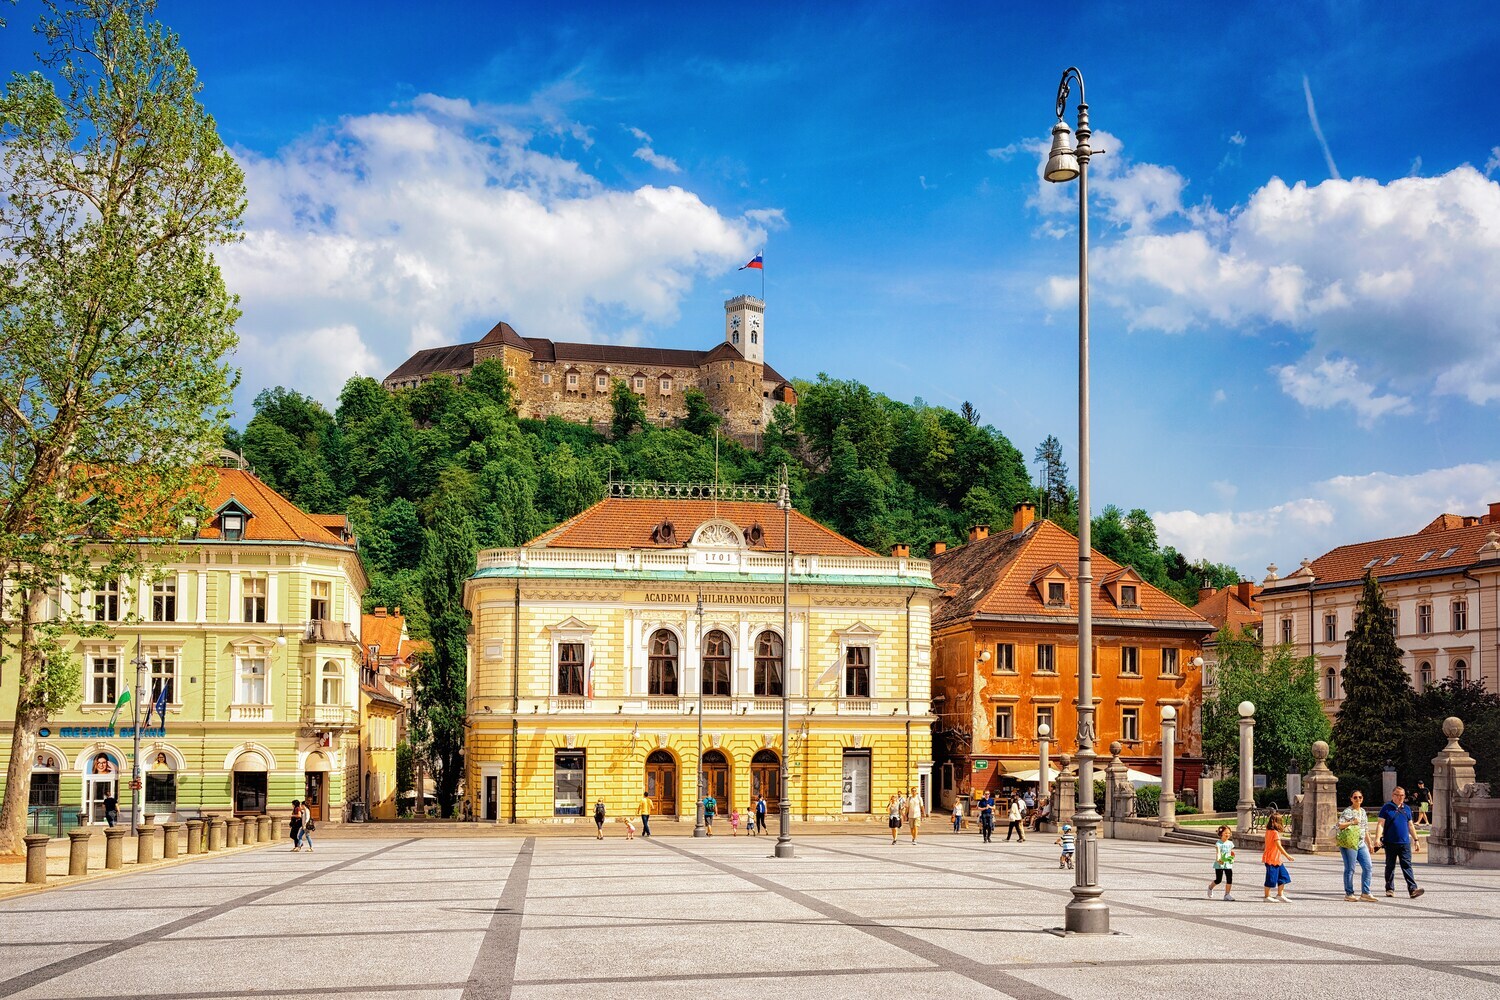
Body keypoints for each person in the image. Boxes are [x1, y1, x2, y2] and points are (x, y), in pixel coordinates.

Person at [1377, 786, 1424, 898]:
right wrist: (1377, 839)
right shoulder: (1386, 808)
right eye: (1397, 795)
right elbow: (1380, 824)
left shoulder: (1407, 808)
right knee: (1390, 866)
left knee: (1407, 865)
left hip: (1404, 843)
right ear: (1393, 795)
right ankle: (1389, 888)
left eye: (1402, 795)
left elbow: (1410, 825)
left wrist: (1416, 840)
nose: (1400, 797)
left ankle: (1412, 889)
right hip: (1390, 842)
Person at [1336, 789, 1376, 902]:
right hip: (1349, 843)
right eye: (1355, 797)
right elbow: (1340, 825)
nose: (1358, 799)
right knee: (1350, 869)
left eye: (1360, 797)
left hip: (1361, 843)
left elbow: (1365, 828)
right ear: (1351, 799)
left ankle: (1366, 892)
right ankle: (1349, 893)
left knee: (1368, 867)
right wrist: (1352, 822)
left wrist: (1370, 843)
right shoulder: (1348, 811)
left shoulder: (1363, 811)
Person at [1261, 812, 1292, 903]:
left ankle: (1280, 894)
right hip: (1271, 859)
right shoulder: (1274, 833)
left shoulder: (1269, 831)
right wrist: (1287, 855)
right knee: (1271, 878)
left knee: (1283, 876)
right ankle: (1267, 896)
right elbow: (1278, 846)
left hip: (1277, 859)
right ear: (1275, 822)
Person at [1208, 824, 1235, 901]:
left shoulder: (1230, 843)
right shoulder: (1218, 843)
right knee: (1218, 880)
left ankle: (1227, 894)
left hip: (1228, 863)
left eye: (1229, 833)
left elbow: (1231, 852)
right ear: (1221, 833)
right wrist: (1219, 860)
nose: (1228, 835)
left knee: (1229, 878)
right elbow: (1218, 853)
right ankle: (1210, 887)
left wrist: (1232, 857)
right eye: (1226, 833)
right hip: (1219, 863)